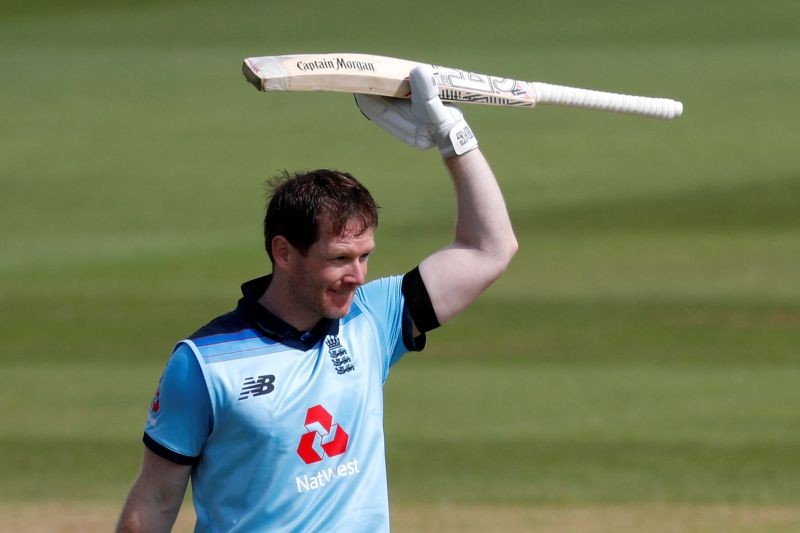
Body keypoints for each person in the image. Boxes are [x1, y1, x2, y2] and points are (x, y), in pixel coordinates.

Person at [116, 65, 517, 532]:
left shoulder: (372, 318)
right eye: (340, 258)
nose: (358, 276)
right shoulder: (205, 363)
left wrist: (455, 138)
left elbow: (489, 249)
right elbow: (157, 498)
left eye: (366, 256)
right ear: (283, 252)